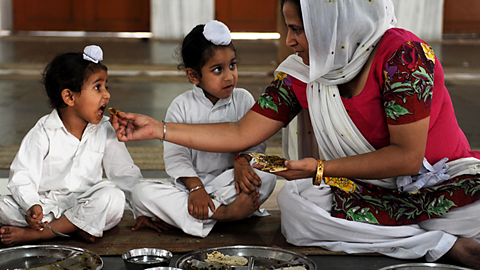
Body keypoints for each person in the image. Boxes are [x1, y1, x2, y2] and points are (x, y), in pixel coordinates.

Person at [111, 0, 480, 268]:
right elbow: (242, 131)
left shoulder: (404, 57)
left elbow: (407, 157)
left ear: (334, 24)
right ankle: (440, 245)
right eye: (288, 28)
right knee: (296, 208)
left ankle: (418, 235)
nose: (289, 40)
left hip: (442, 187)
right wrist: (157, 129)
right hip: (368, 192)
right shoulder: (302, 74)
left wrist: (320, 168)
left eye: (298, 29)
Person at [130, 20, 277, 238]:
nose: (229, 76)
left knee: (267, 175)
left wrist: (243, 160)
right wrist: (196, 189)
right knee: (140, 193)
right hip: (190, 189)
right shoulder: (181, 106)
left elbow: (256, 141)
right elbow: (176, 157)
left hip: (229, 184)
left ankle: (194, 215)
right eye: (218, 70)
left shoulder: (244, 99)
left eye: (232, 65)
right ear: (194, 76)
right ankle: (224, 214)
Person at [0, 45, 152, 247]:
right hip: (48, 206)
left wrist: (142, 211)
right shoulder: (43, 131)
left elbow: (125, 173)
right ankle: (74, 228)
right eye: (98, 87)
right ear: (69, 97)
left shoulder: (106, 128)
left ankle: (43, 234)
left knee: (112, 197)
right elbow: (22, 176)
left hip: (88, 202)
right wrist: (31, 206)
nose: (106, 95)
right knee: (4, 206)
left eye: (106, 86)